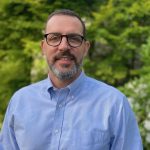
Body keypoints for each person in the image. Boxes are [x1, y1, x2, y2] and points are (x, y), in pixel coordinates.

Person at [0, 9, 143, 150]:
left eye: (74, 38)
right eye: (54, 38)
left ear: (86, 48)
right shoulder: (20, 102)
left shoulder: (114, 104)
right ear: (43, 47)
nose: (63, 46)